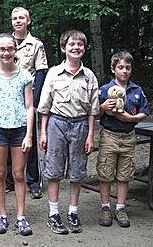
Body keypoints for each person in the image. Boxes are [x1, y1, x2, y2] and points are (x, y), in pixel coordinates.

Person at [38, 30, 100, 234]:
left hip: (81, 125)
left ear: (84, 48)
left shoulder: (89, 76)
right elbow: (45, 106)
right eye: (72, 44)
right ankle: (53, 214)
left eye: (80, 45)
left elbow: (93, 109)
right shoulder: (54, 73)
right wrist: (44, 133)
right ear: (63, 48)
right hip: (57, 124)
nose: (76, 48)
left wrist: (91, 135)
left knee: (77, 170)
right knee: (54, 170)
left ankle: (73, 212)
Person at [0, 33, 34, 236]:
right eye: (1, 49)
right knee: (1, 173)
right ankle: (2, 215)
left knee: (19, 174)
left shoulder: (25, 76)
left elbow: (30, 107)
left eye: (9, 48)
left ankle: (21, 217)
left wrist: (29, 134)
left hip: (19, 129)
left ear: (15, 50)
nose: (6, 53)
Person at [96, 51, 149, 228]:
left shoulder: (137, 91)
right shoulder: (104, 90)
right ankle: (105, 207)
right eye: (120, 67)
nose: (124, 71)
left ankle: (120, 208)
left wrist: (131, 119)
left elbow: (144, 112)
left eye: (127, 68)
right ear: (113, 69)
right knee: (105, 172)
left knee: (125, 174)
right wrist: (103, 107)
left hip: (128, 137)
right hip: (109, 136)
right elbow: (94, 113)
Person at [5, 7, 48, 199]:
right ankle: (9, 180)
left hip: (28, 98)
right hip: (7, 99)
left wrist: (36, 101)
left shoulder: (36, 45)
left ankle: (33, 180)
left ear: (28, 21)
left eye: (22, 18)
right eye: (15, 18)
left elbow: (40, 73)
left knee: (28, 140)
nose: (18, 21)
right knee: (5, 138)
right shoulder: (5, 43)